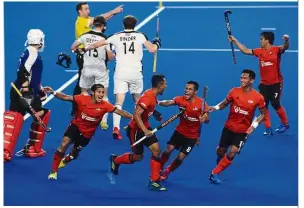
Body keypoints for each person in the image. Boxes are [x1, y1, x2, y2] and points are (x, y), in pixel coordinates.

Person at [83, 15, 162, 140]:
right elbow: (152, 49)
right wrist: (157, 44)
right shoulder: (140, 35)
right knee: (138, 101)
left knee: (119, 102)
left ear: (123, 25)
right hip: (136, 73)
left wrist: (85, 48)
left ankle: (116, 128)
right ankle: (137, 125)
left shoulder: (116, 36)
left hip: (120, 73)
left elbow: (99, 43)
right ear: (135, 25)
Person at [44, 84, 133, 180]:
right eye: (99, 92)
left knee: (75, 153)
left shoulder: (105, 105)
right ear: (93, 92)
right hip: (76, 126)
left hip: (87, 134)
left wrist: (133, 117)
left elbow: (120, 112)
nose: (101, 94)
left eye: (103, 92)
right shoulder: (82, 99)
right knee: (63, 145)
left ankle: (68, 158)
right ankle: (54, 171)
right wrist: (53, 92)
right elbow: (66, 97)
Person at [108, 74, 167, 191]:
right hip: (135, 131)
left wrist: (155, 114)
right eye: (165, 84)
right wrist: (145, 131)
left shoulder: (153, 94)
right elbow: (136, 115)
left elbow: (148, 108)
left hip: (145, 127)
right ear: (160, 86)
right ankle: (115, 160)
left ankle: (154, 180)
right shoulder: (148, 97)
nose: (166, 86)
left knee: (156, 150)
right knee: (138, 157)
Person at [207, 69, 266, 184]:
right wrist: (214, 108)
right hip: (228, 128)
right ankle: (221, 159)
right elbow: (224, 103)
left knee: (233, 151)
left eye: (245, 78)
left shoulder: (258, 97)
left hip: (243, 131)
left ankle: (214, 173)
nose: (242, 80)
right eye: (241, 78)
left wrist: (253, 126)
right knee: (220, 151)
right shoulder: (234, 91)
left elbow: (263, 114)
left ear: (252, 80)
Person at [228, 32, 290, 135]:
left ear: (267, 40)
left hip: (276, 83)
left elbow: (285, 47)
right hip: (264, 84)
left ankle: (285, 124)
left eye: (261, 39)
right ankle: (268, 128)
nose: (260, 41)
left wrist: (287, 40)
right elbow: (245, 50)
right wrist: (234, 40)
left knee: (275, 104)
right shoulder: (259, 51)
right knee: (263, 106)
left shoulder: (277, 50)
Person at [4, 29, 50, 161]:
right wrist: (26, 89)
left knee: (14, 118)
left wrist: (40, 89)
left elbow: (29, 73)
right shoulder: (33, 52)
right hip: (25, 92)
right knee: (42, 114)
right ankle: (33, 149)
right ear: (39, 40)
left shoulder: (28, 51)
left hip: (17, 89)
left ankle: (5, 150)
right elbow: (24, 70)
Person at [71, 2, 123, 116]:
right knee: (82, 84)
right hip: (84, 56)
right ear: (80, 11)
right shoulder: (81, 22)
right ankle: (77, 108)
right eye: (85, 9)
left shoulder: (88, 21)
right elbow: (99, 20)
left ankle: (83, 106)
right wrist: (113, 12)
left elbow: (100, 21)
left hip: (88, 56)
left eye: (88, 8)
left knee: (84, 82)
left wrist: (113, 14)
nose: (88, 11)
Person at [157, 81, 210, 181]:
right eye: (186, 88)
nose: (187, 91)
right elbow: (169, 102)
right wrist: (158, 102)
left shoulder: (202, 104)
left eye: (190, 89)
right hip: (179, 132)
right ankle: (160, 165)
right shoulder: (180, 99)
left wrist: (204, 118)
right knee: (168, 150)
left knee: (180, 158)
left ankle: (168, 170)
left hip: (191, 137)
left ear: (195, 92)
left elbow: (207, 120)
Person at [71, 16, 115, 129]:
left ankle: (82, 116)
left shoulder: (84, 35)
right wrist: (113, 54)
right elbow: (110, 58)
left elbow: (73, 47)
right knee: (103, 95)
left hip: (86, 69)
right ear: (103, 26)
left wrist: (80, 51)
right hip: (100, 70)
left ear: (93, 24)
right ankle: (103, 122)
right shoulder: (105, 39)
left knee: (84, 94)